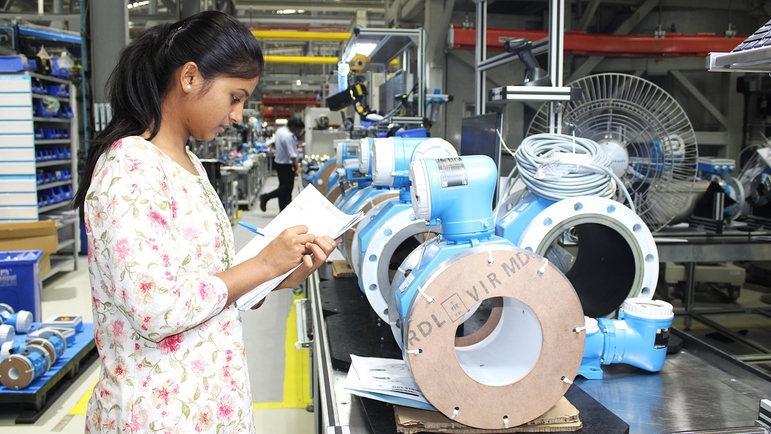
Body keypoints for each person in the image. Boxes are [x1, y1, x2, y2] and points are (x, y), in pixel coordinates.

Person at [73, 11, 337, 434]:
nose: (238, 114)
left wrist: (275, 279)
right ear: (191, 77)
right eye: (235, 97)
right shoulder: (130, 166)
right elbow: (157, 308)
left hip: (209, 403)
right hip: (160, 414)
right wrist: (263, 265)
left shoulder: (190, 162)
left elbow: (205, 283)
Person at [259, 118, 304, 212]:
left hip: (279, 163)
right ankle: (266, 197)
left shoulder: (281, 131)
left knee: (284, 188)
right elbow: (291, 154)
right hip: (286, 165)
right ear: (294, 127)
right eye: (298, 130)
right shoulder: (287, 136)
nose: (298, 132)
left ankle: (284, 209)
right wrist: (297, 167)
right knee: (286, 188)